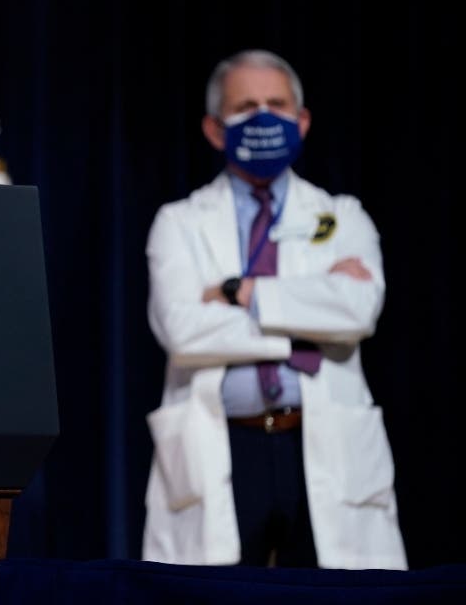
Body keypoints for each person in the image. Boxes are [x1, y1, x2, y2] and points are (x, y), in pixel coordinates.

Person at [141, 48, 407, 570]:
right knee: (209, 597)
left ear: (302, 121)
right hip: (224, 444)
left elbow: (357, 311)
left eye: (277, 104)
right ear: (215, 129)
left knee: (340, 598)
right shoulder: (179, 222)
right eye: (245, 107)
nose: (262, 117)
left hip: (321, 441)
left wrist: (241, 292)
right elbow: (182, 330)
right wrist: (308, 322)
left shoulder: (342, 215)